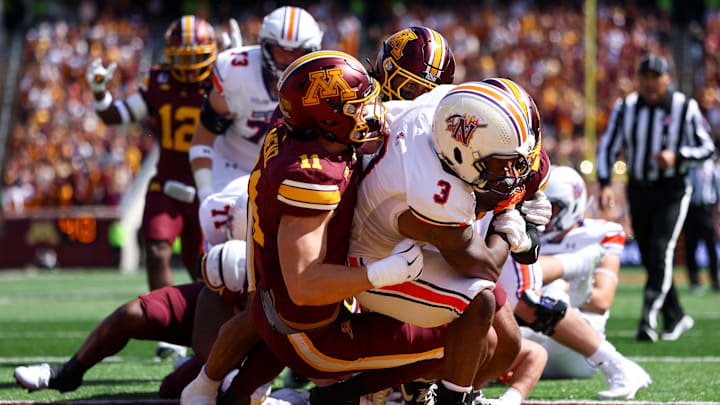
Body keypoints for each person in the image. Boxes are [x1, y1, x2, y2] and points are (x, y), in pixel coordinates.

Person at [181, 50, 463, 405]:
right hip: (313, 329)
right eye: (358, 106)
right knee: (468, 333)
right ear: (327, 117)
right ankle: (354, 394)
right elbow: (305, 285)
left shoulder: (291, 125)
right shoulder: (313, 177)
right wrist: (382, 273)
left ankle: (204, 387)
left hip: (269, 292)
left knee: (238, 358)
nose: (370, 110)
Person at [495, 166, 651, 400]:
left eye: (551, 207)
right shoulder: (525, 233)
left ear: (572, 204)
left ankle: (616, 365)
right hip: (528, 336)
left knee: (546, 289)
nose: (543, 214)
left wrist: (562, 286)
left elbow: (601, 300)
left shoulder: (600, 233)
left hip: (577, 349)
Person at [88, 15, 218, 291]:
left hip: (212, 188)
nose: (191, 68)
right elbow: (117, 115)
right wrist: (100, 93)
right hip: (168, 184)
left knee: (205, 268)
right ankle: (166, 325)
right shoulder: (160, 82)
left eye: (197, 57)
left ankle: (206, 326)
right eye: (183, 59)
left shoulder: (223, 83)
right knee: (157, 251)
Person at [597, 54, 715, 342]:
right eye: (645, 77)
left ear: (667, 79)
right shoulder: (626, 108)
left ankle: (648, 318)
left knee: (661, 249)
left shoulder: (684, 107)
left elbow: (707, 147)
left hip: (672, 189)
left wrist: (678, 156)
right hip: (639, 188)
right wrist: (604, 183)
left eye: (656, 77)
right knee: (652, 254)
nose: (650, 83)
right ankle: (675, 315)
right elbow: (609, 144)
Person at [189, 6, 323, 204]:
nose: (287, 59)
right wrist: (206, 194)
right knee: (232, 220)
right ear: (266, 47)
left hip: (287, 172)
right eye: (281, 50)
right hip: (233, 169)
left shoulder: (325, 82)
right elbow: (203, 139)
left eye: (296, 52)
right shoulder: (236, 72)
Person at [684, 158, 720, 294]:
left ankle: (715, 280)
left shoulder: (711, 167)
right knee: (690, 247)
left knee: (711, 246)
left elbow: (718, 189)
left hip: (707, 209)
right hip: (690, 209)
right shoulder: (688, 166)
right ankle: (694, 281)